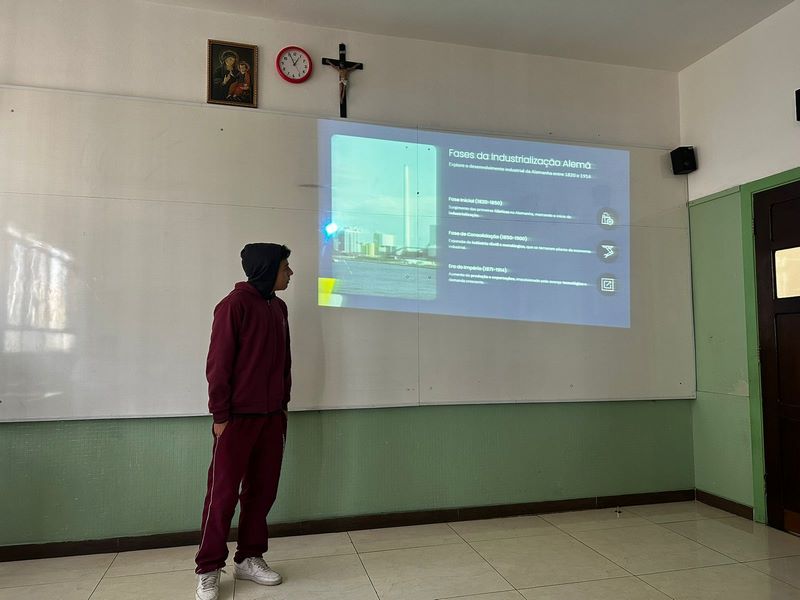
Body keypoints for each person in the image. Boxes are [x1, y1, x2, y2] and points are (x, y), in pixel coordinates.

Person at [194, 243, 293, 600]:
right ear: (267, 269)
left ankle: (249, 557)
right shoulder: (233, 306)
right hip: (235, 419)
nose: (290, 274)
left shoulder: (278, 307)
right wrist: (220, 415)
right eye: (284, 267)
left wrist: (282, 404)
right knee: (222, 495)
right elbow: (218, 365)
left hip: (272, 417)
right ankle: (208, 568)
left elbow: (284, 361)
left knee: (262, 491)